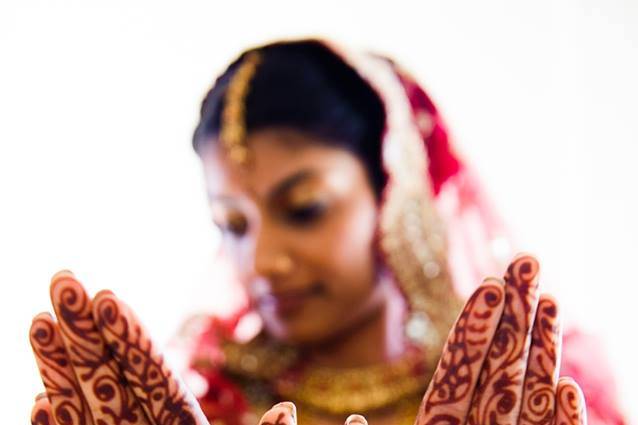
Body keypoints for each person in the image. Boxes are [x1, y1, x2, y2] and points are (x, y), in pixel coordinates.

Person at [28, 39, 625, 425]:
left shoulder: (517, 400)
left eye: (305, 208)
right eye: (232, 225)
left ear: (393, 195)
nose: (261, 261)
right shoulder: (207, 409)